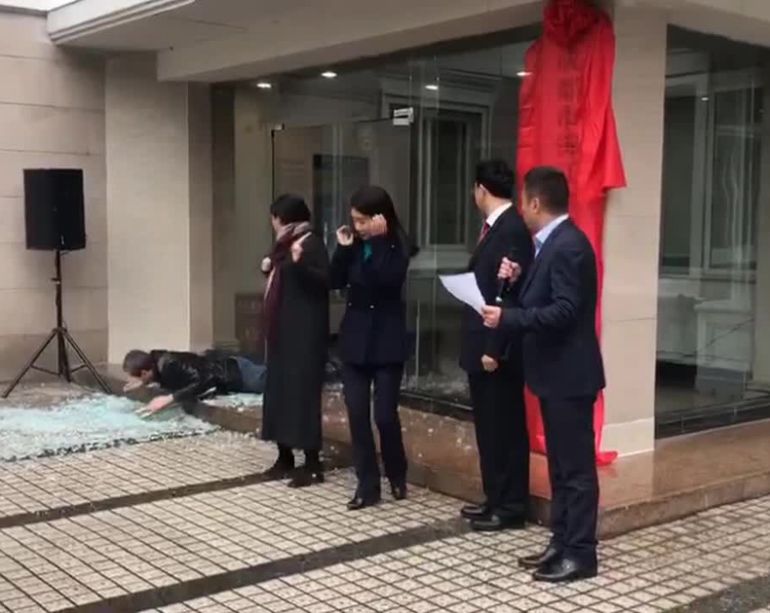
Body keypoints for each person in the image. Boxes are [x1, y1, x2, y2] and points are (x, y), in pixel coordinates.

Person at [482, 166, 604, 583]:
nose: (522, 210)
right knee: (560, 468)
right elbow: (547, 296)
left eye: (524, 202)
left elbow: (565, 311)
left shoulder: (569, 246)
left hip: (570, 375)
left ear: (535, 202)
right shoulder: (549, 245)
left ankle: (581, 553)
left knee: (576, 469)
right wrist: (518, 283)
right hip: (555, 375)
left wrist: (509, 318)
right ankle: (561, 541)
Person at [330, 185, 417, 511]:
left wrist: (379, 241)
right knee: (356, 412)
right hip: (354, 341)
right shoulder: (355, 244)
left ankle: (396, 472)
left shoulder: (398, 246)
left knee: (384, 414)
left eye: (364, 220)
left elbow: (382, 280)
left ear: (381, 218)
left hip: (386, 342)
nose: (358, 227)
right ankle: (367, 485)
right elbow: (335, 280)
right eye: (355, 220)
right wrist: (342, 249)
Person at [460, 160, 534, 533]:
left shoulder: (511, 230)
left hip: (499, 348)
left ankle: (510, 505)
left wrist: (494, 347)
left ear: (481, 190)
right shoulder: (495, 229)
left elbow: (510, 295)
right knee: (488, 427)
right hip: (483, 340)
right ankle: (494, 497)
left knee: (504, 428)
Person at [261, 194, 329, 488]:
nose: (272, 223)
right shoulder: (284, 244)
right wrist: (268, 266)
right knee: (278, 392)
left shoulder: (310, 242)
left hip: (303, 333)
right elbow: (281, 275)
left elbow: (323, 281)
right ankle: (284, 455)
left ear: (283, 218)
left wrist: (299, 264)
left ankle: (312, 462)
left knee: (301, 396)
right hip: (282, 331)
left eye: (274, 217)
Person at [123, 349, 266, 415]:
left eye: (136, 377)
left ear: (144, 372)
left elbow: (204, 380)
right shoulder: (156, 364)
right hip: (231, 375)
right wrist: (144, 382)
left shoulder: (168, 364)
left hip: (239, 373)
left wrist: (169, 398)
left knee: (279, 383)